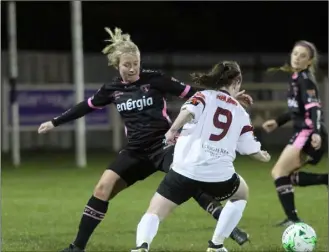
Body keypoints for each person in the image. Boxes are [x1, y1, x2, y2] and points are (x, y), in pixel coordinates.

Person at [37, 27, 252, 252]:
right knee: (103, 188)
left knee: (189, 178)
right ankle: (77, 247)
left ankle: (224, 225)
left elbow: (194, 93)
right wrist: (55, 122)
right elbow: (86, 107)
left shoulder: (155, 80)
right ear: (117, 65)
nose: (132, 69)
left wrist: (227, 96)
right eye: (127, 65)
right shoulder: (111, 89)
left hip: (164, 146)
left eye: (136, 64)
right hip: (135, 152)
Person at [131, 61, 271, 252]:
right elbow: (250, 149)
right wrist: (264, 157)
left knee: (154, 211)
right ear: (237, 81)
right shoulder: (239, 111)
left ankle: (142, 247)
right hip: (219, 177)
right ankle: (216, 245)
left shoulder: (202, 96)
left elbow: (188, 111)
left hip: (184, 171)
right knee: (241, 194)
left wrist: (172, 131)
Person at [262, 40, 328, 227]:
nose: (297, 58)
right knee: (285, 176)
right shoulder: (297, 78)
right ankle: (324, 180)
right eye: (295, 54)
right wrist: (277, 122)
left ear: (309, 61)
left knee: (278, 172)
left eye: (303, 56)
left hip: (308, 133)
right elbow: (295, 110)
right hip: (305, 132)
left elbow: (314, 108)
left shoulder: (305, 80)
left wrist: (315, 132)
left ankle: (293, 220)